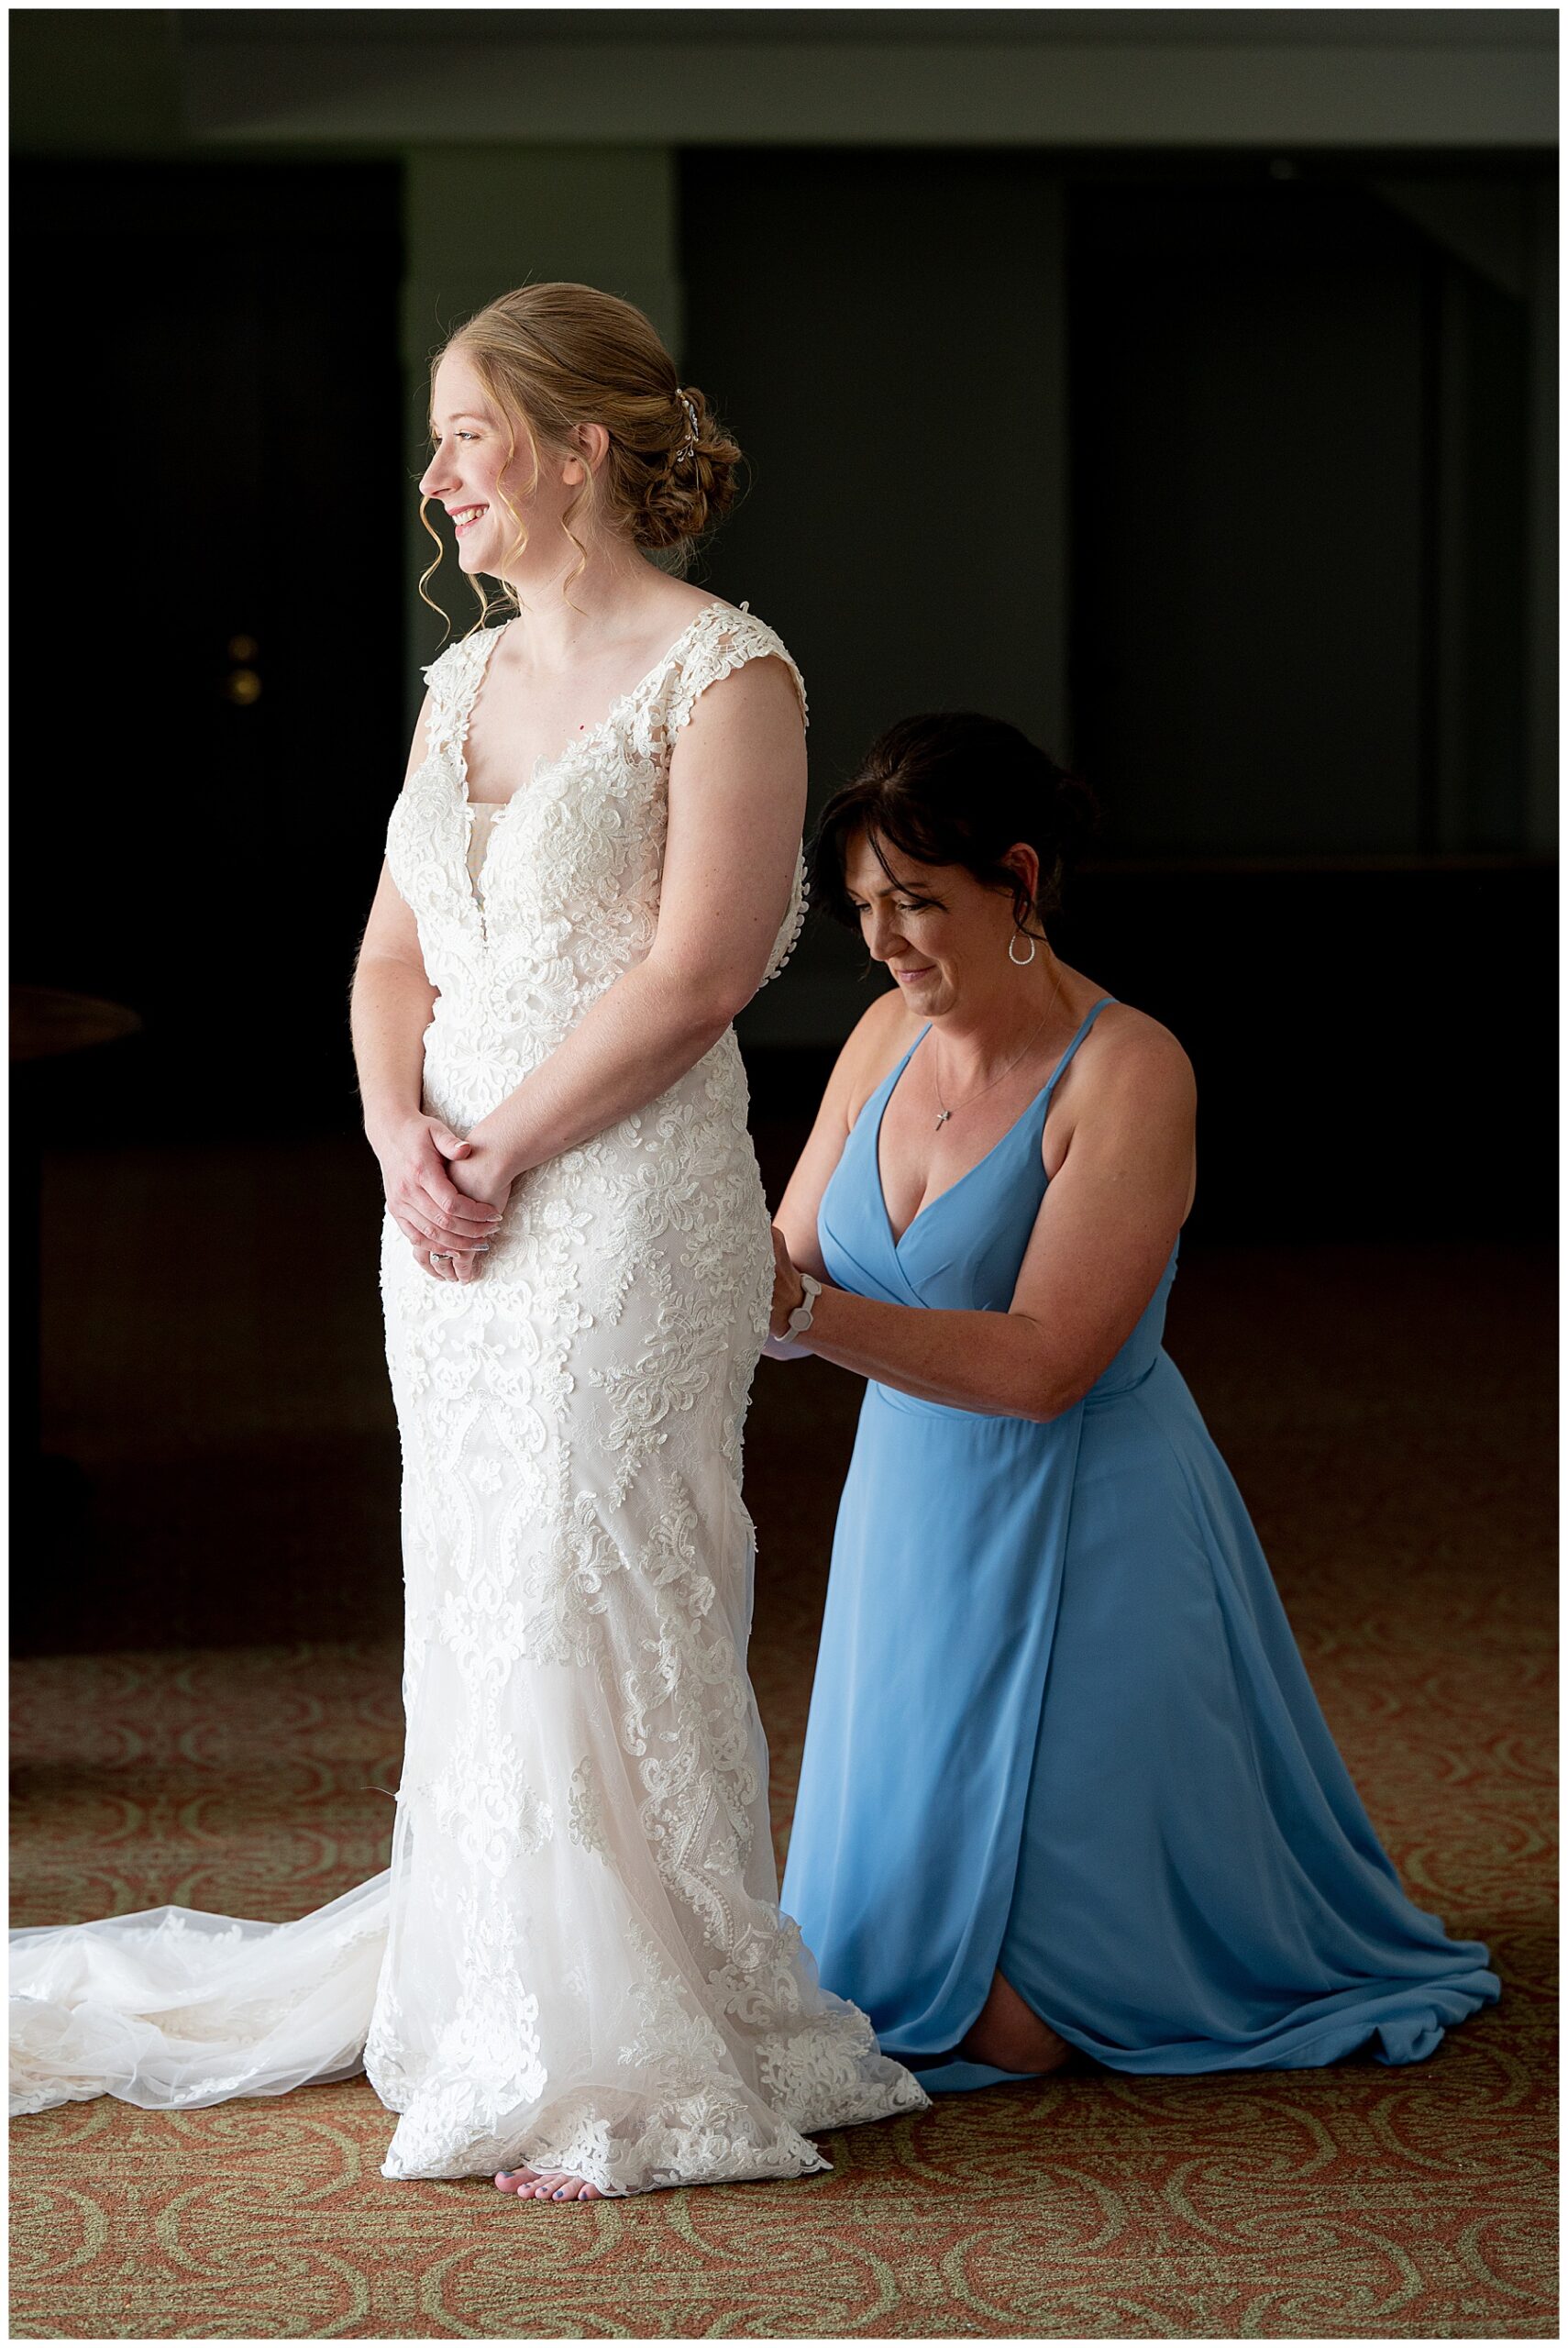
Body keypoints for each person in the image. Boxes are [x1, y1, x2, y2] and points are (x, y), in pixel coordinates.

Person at [9, 283, 925, 2198]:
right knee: (480, 1581)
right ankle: (499, 1991)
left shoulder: (725, 672)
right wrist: (393, 1136)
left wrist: (498, 1143)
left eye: (466, 437)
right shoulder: (461, 685)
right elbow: (387, 955)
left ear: (582, 447)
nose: (438, 481)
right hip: (446, 1214)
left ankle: (631, 2030)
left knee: (604, 1571)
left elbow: (690, 977)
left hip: (618, 1207)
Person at [764, 711, 1500, 2093]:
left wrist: (799, 1314)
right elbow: (785, 1254)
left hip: (1086, 1523)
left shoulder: (1128, 1069)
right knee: (875, 1985)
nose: (884, 942)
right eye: (864, 907)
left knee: (1021, 2023)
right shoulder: (874, 1038)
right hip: (910, 1518)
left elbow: (1042, 1365)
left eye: (917, 902)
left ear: (1019, 879)